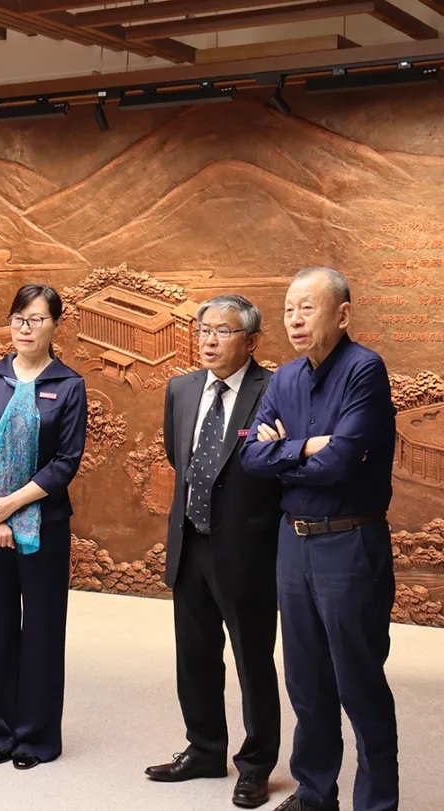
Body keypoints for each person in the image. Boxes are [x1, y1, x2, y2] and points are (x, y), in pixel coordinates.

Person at [241, 267, 398, 811]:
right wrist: (307, 447)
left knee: (358, 681)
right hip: (294, 544)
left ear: (343, 314)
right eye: (288, 309)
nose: (295, 319)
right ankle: (314, 793)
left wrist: (285, 453)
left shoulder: (364, 370)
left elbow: (341, 463)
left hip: (349, 543)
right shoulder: (283, 378)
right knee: (306, 680)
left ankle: (375, 803)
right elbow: (251, 457)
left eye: (307, 307)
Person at [145, 294, 283, 809]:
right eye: (203, 329)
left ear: (251, 341)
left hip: (247, 550)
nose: (209, 340)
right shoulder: (181, 389)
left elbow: (277, 466)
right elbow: (177, 456)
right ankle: (204, 750)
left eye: (223, 331)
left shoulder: (274, 389)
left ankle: (256, 765)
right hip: (190, 543)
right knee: (195, 657)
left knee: (253, 662)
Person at [0, 283, 88, 770]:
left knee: (41, 629)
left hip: (44, 523)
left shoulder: (69, 385)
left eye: (36, 319)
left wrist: (9, 507)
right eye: (18, 318)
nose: (25, 328)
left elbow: (66, 461)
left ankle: (35, 737)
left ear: (55, 325)